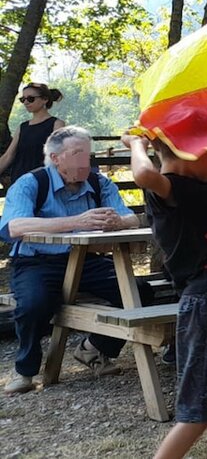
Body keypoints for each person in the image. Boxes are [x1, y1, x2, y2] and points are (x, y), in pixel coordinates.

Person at [124, 133, 207, 459]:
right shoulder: (172, 189)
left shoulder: (200, 187)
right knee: (201, 410)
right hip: (206, 304)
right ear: (188, 153)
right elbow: (143, 175)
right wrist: (138, 146)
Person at [1, 126, 140, 395]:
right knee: (34, 304)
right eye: (77, 153)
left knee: (138, 292)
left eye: (87, 154)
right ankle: (25, 371)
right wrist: (75, 223)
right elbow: (15, 226)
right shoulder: (32, 183)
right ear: (56, 158)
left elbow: (132, 218)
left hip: (85, 260)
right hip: (36, 262)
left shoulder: (101, 183)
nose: (85, 160)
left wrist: (118, 221)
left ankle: (93, 349)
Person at [0, 83, 66, 182]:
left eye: (30, 99)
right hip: (20, 180)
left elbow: (58, 156)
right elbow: (8, 155)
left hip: (43, 181)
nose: (26, 102)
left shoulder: (57, 124)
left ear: (45, 99)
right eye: (23, 99)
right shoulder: (22, 127)